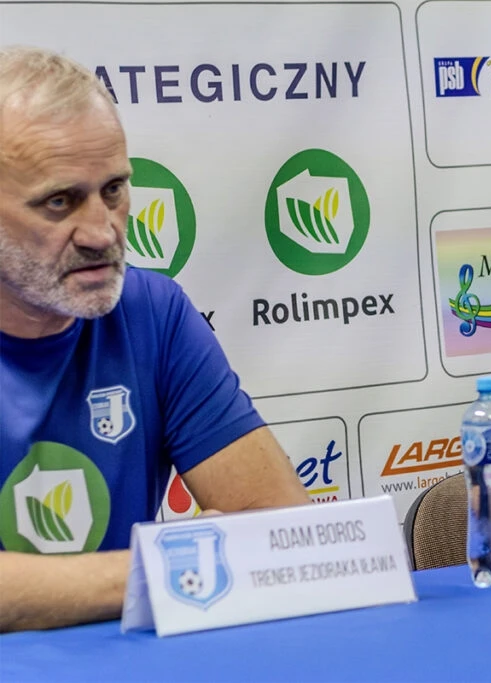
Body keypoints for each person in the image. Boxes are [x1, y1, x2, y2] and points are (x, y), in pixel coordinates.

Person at [0, 46, 310, 632]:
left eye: (114, 190)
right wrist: (161, 565)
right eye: (59, 201)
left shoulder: (151, 311)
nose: (101, 233)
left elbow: (282, 530)